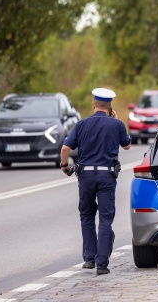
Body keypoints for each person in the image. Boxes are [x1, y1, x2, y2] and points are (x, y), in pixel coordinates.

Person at [60, 88, 131, 275]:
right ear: (109, 107)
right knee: (106, 219)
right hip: (107, 176)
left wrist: (64, 165)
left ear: (94, 105)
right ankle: (102, 264)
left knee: (87, 215)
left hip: (85, 177)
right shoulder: (116, 124)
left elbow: (66, 147)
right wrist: (115, 120)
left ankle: (89, 259)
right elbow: (127, 145)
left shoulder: (81, 124)